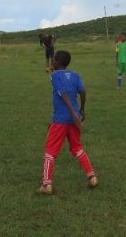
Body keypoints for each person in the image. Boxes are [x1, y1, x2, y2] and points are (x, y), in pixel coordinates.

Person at [37, 50, 97, 195]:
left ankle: (46, 185)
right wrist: (81, 110)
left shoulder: (55, 76)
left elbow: (63, 95)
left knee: (50, 151)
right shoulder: (76, 75)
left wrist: (72, 113)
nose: (52, 62)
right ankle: (92, 176)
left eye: (54, 60)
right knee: (77, 147)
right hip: (73, 118)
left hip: (60, 120)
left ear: (58, 62)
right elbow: (83, 91)